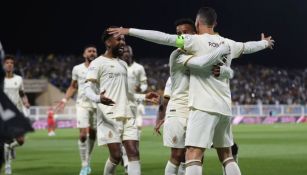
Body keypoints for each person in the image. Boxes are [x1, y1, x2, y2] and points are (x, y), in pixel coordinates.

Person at [107, 6, 274, 175]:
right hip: (224, 107)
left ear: (197, 23)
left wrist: (129, 31)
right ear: (215, 23)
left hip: (203, 107)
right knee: (226, 155)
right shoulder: (229, 43)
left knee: (193, 155)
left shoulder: (193, 42)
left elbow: (162, 38)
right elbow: (247, 47)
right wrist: (264, 43)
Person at [154, 18, 234, 175]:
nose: (182, 36)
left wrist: (226, 71)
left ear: (195, 34)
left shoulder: (202, 51)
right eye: (178, 34)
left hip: (197, 108)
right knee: (177, 155)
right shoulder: (177, 55)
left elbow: (222, 72)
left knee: (196, 154)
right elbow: (167, 96)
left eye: (185, 32)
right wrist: (162, 117)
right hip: (179, 110)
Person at [84, 27, 159, 175]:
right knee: (116, 156)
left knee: (133, 152)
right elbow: (88, 89)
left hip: (128, 113)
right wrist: (98, 98)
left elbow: (126, 94)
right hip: (109, 115)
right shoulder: (97, 63)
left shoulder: (123, 64)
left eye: (123, 39)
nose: (122, 42)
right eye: (119, 39)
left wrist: (144, 97)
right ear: (108, 42)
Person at [55, 45, 98, 175]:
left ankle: (87, 159)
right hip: (82, 104)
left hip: (97, 105)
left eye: (94, 51)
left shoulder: (100, 67)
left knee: (93, 133)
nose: (92, 53)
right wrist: (64, 100)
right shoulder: (77, 69)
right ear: (84, 54)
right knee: (83, 134)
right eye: (89, 51)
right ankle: (84, 164)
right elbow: (73, 87)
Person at [120, 45, 148, 173]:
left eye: (128, 51)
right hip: (121, 104)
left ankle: (129, 160)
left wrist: (141, 89)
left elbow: (144, 84)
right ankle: (126, 161)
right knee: (122, 135)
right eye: (124, 51)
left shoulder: (139, 68)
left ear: (131, 53)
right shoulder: (118, 67)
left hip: (136, 103)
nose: (126, 53)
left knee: (136, 134)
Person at [3, 55, 31, 174]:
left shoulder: (19, 79)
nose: (9, 64)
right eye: (7, 63)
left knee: (21, 141)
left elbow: (22, 93)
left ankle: (10, 148)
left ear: (13, 66)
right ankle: (8, 165)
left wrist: (26, 101)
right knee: (7, 140)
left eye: (11, 63)